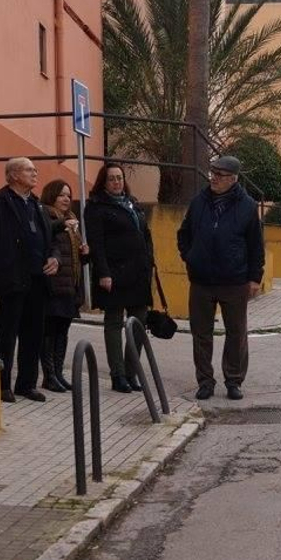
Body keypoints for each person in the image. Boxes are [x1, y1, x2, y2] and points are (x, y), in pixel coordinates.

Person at [177, 154, 263, 401]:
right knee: (201, 334)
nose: (214, 178)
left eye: (220, 175)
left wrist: (254, 277)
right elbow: (183, 234)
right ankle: (205, 382)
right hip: (202, 280)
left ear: (233, 179)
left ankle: (233, 381)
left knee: (236, 333)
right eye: (213, 173)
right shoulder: (199, 202)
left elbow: (256, 246)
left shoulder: (247, 206)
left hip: (234, 281)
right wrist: (190, 257)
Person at [0, 157, 57, 403]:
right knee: (6, 335)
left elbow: (50, 241)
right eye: (29, 169)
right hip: (10, 279)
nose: (35, 173)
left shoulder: (37, 205)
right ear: (13, 175)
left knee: (33, 335)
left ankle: (26, 384)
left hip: (37, 280)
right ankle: (1, 385)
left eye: (35, 169)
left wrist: (55, 258)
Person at [83, 162, 154, 393]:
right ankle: (118, 375)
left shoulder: (132, 203)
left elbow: (145, 235)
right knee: (114, 323)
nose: (117, 182)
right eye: (112, 178)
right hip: (113, 274)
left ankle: (132, 373)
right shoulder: (96, 207)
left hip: (139, 273)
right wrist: (103, 272)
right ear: (104, 182)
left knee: (139, 323)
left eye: (120, 178)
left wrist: (150, 262)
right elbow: (97, 243)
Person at [38, 178, 87, 392]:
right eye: (62, 195)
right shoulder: (46, 215)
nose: (67, 199)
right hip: (54, 284)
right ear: (52, 196)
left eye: (69, 195)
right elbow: (45, 234)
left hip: (70, 285)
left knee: (63, 331)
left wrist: (84, 252)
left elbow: (73, 254)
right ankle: (48, 375)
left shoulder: (72, 219)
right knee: (49, 331)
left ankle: (58, 372)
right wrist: (62, 225)